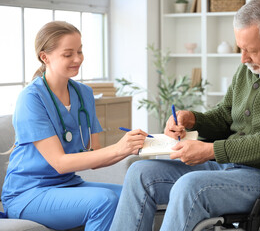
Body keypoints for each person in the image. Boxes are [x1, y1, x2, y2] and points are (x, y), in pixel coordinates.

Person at [110, 0, 260, 231]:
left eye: (251, 50)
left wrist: (212, 150)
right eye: (240, 49)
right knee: (140, 172)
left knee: (190, 186)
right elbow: (226, 116)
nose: (243, 59)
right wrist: (191, 119)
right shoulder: (250, 67)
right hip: (229, 167)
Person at [1, 21, 149, 230]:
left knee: (136, 198)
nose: (78, 59)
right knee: (104, 200)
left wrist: (132, 146)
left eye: (80, 51)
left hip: (67, 185)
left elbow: (95, 156)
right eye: (68, 54)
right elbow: (60, 163)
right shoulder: (31, 98)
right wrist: (119, 147)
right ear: (45, 57)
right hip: (28, 193)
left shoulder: (84, 94)